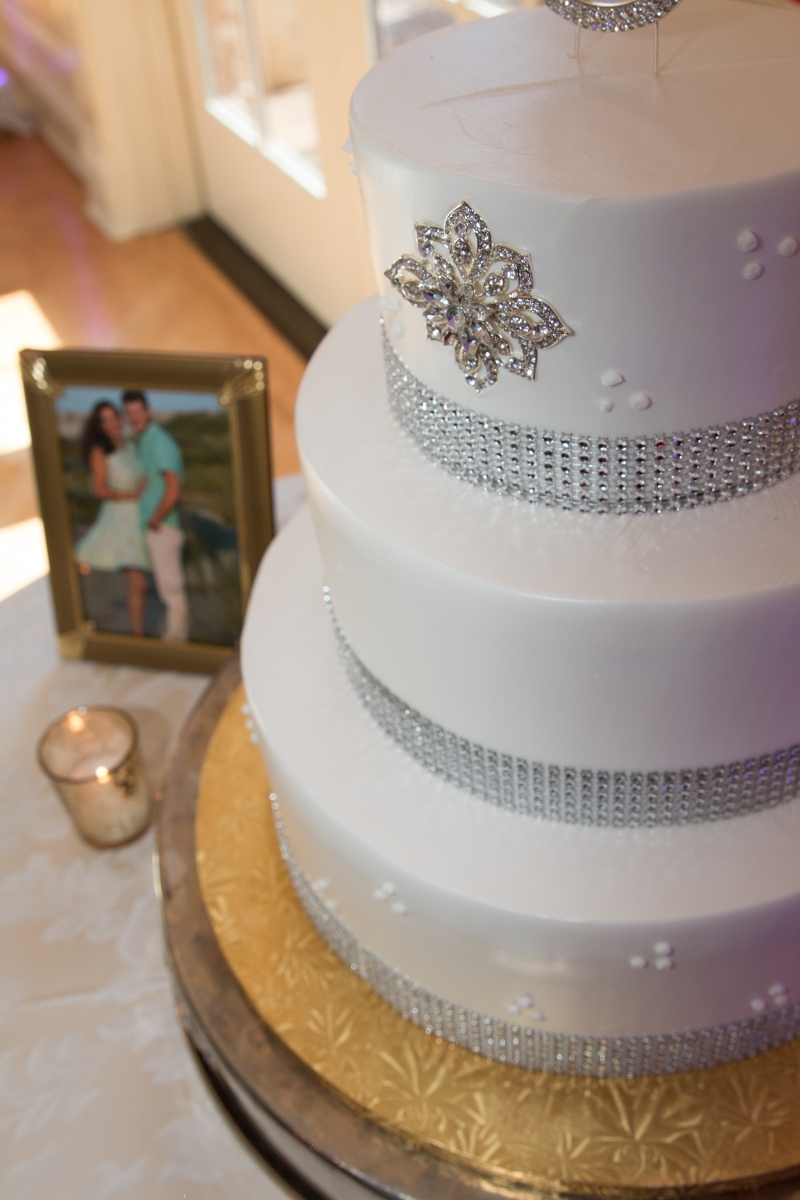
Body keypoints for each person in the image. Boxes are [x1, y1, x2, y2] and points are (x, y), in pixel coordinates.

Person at [74, 401, 150, 636]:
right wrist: (131, 495)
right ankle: (138, 636)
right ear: (100, 426)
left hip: (138, 517)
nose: (112, 423)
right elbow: (99, 489)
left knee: (139, 582)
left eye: (114, 417)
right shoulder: (100, 451)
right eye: (105, 419)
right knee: (138, 583)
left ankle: (139, 635)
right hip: (119, 519)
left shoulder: (130, 445)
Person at [122, 389, 189, 643]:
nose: (134, 417)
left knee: (171, 590)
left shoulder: (159, 442)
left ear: (147, 411)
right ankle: (173, 637)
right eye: (129, 413)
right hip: (156, 527)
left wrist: (155, 519)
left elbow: (173, 489)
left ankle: (176, 641)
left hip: (163, 527)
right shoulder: (146, 442)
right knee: (165, 589)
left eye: (138, 411)